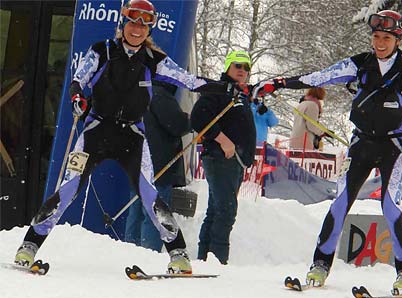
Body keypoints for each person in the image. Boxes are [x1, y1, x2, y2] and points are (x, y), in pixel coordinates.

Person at [14, 0, 245, 274]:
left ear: (149, 31)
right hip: (95, 132)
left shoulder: (154, 60)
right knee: (68, 188)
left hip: (132, 136)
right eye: (133, 23)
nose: (137, 30)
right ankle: (29, 246)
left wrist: (229, 87)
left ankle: (179, 254)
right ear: (123, 24)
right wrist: (77, 98)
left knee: (150, 194)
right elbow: (79, 80)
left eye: (144, 25)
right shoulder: (103, 50)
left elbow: (191, 81)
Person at [251, 10, 402, 294]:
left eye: (386, 38)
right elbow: (319, 77)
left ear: (398, 40)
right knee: (340, 202)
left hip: (393, 146)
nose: (380, 43)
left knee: (390, 206)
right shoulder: (360, 63)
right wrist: (280, 83)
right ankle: (320, 265)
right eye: (375, 37)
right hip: (361, 144)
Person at [190, 50, 256, 264]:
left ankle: (204, 257)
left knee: (216, 209)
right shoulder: (218, 90)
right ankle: (219, 260)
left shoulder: (240, 93)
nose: (242, 71)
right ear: (228, 67)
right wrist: (221, 139)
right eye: (238, 65)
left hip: (236, 160)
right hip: (220, 157)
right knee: (226, 211)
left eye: (246, 67)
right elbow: (198, 117)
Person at [125, 82, 191, 251]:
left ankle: (129, 250)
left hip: (137, 161)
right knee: (154, 213)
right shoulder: (160, 95)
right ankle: (148, 253)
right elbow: (176, 124)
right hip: (158, 163)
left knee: (137, 211)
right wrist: (189, 121)